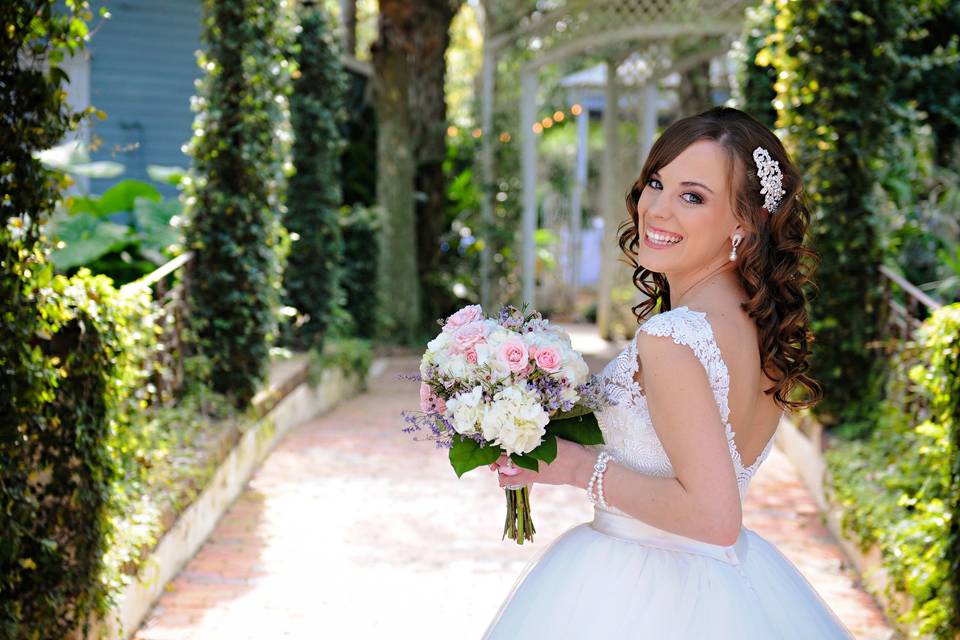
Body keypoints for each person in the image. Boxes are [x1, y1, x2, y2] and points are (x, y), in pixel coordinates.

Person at [482, 106, 855, 639]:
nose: (656, 209)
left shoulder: (672, 338)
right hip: (731, 590)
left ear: (745, 224)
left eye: (693, 196)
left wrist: (575, 468)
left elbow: (714, 516)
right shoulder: (760, 328)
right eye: (656, 182)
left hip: (638, 594)